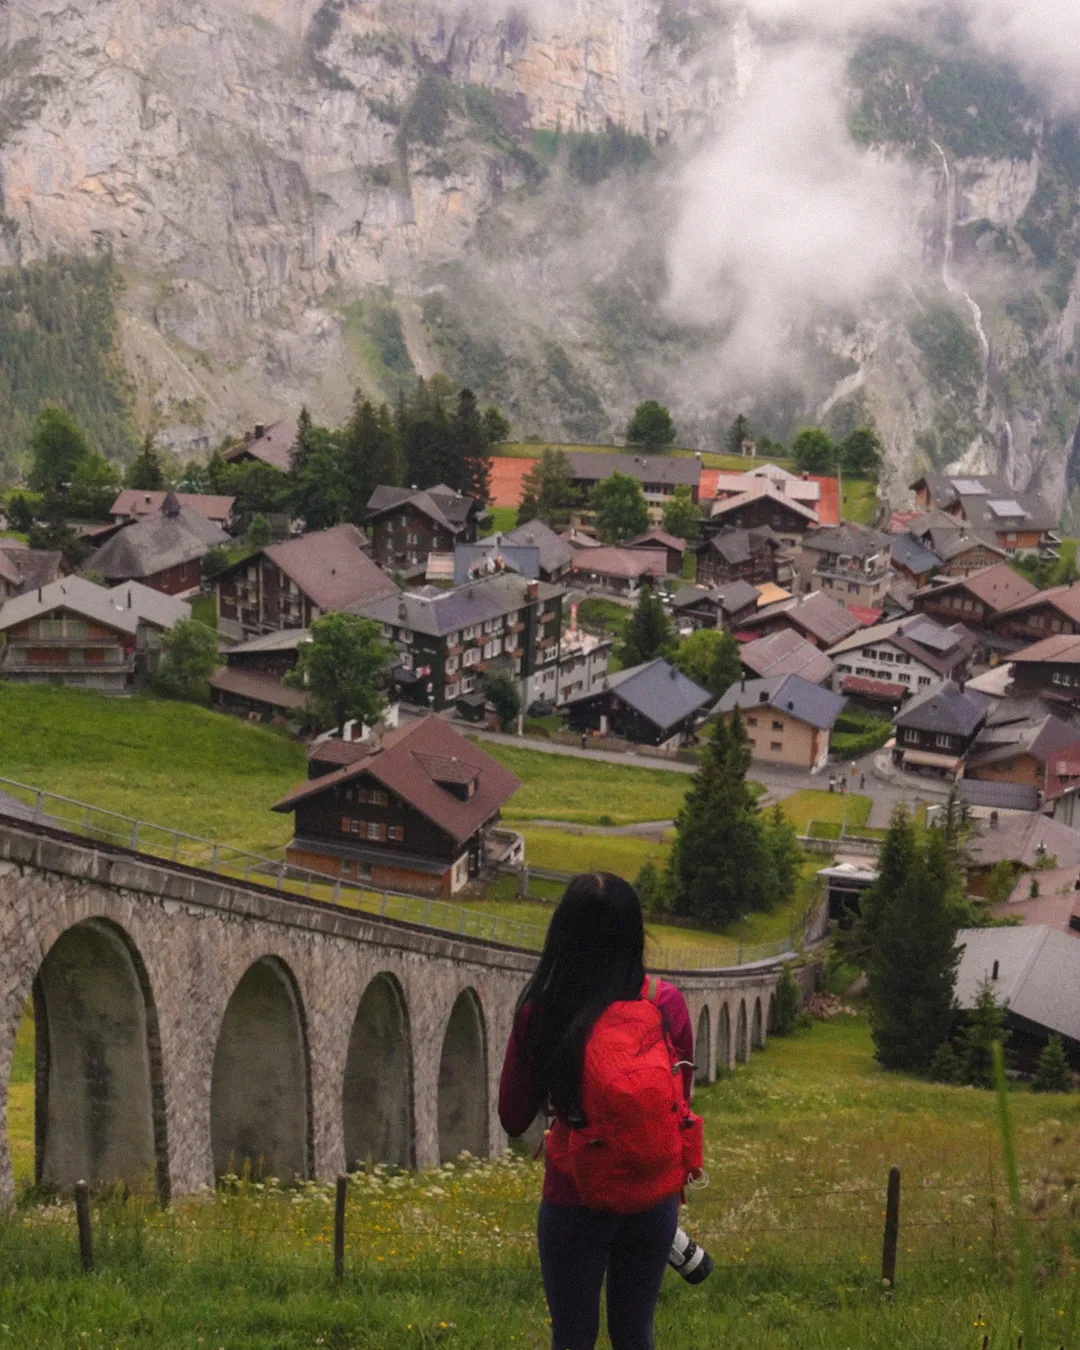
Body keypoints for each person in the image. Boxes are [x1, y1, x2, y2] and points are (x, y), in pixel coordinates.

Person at [499, 873, 694, 1350]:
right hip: (652, 1197)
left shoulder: (542, 1010)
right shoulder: (664, 1003)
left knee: (573, 1335)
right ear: (634, 934)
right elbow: (678, 1100)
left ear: (561, 933)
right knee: (634, 1333)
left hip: (574, 1193)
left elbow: (512, 1115)